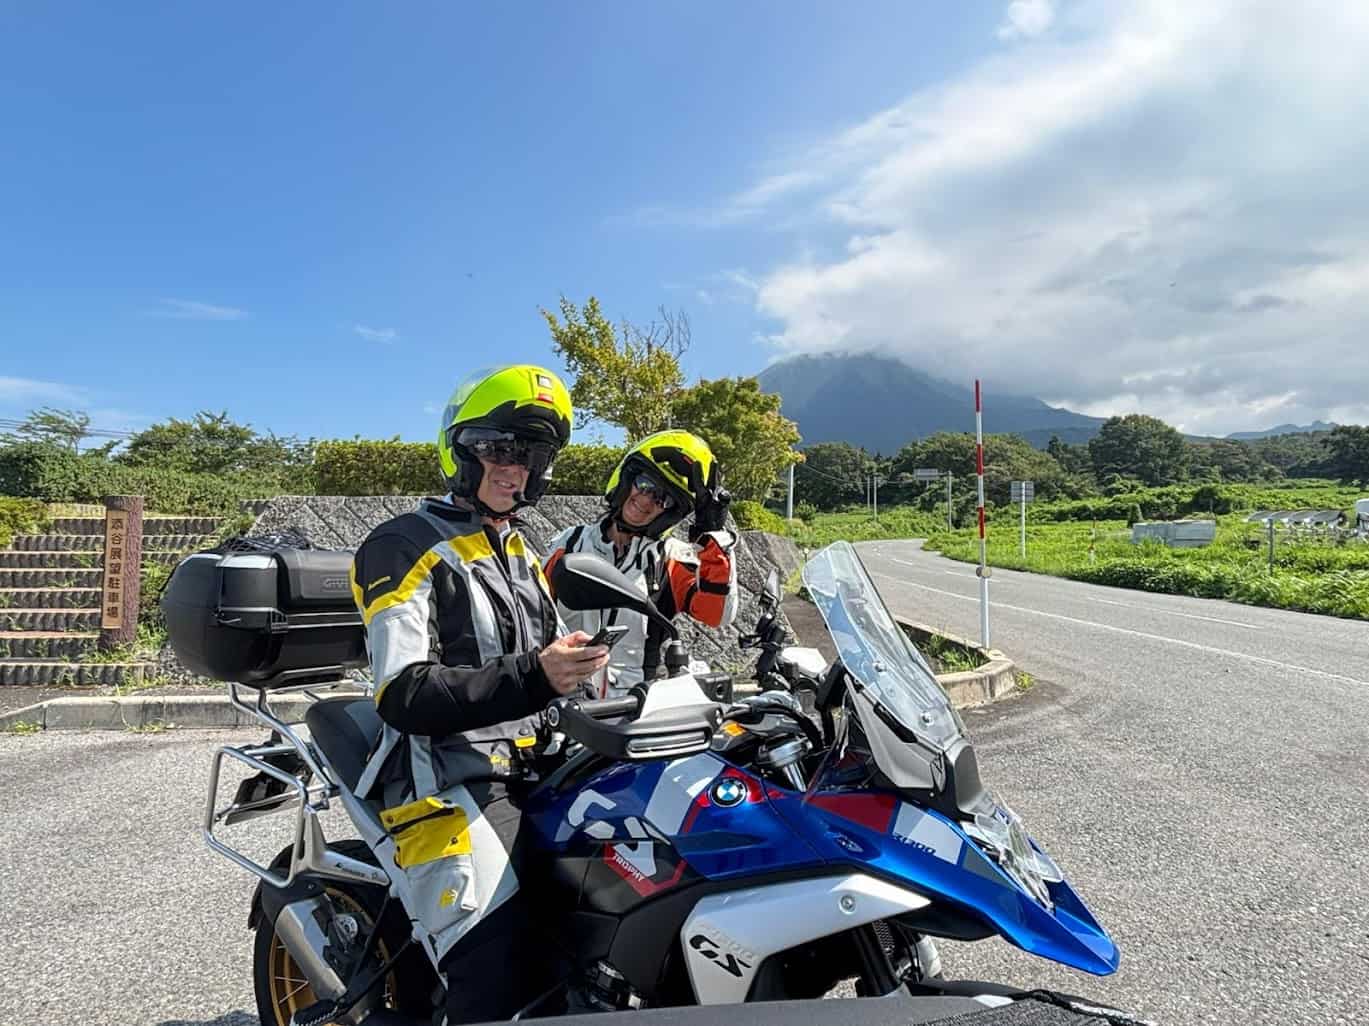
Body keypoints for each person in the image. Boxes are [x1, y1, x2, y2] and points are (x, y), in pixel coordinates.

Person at [349, 364, 609, 1024]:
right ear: (459, 451)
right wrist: (534, 676)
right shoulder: (402, 545)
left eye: (529, 455)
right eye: (498, 448)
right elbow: (402, 691)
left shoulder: (516, 548)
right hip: (441, 776)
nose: (512, 469)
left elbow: (545, 658)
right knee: (504, 965)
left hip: (535, 767)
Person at [543, 429, 737, 697]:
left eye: (663, 498)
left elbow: (718, 615)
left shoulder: (671, 560)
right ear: (627, 480)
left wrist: (713, 535)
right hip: (563, 702)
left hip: (632, 708)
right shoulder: (570, 543)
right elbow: (534, 614)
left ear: (670, 512)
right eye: (644, 484)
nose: (646, 500)